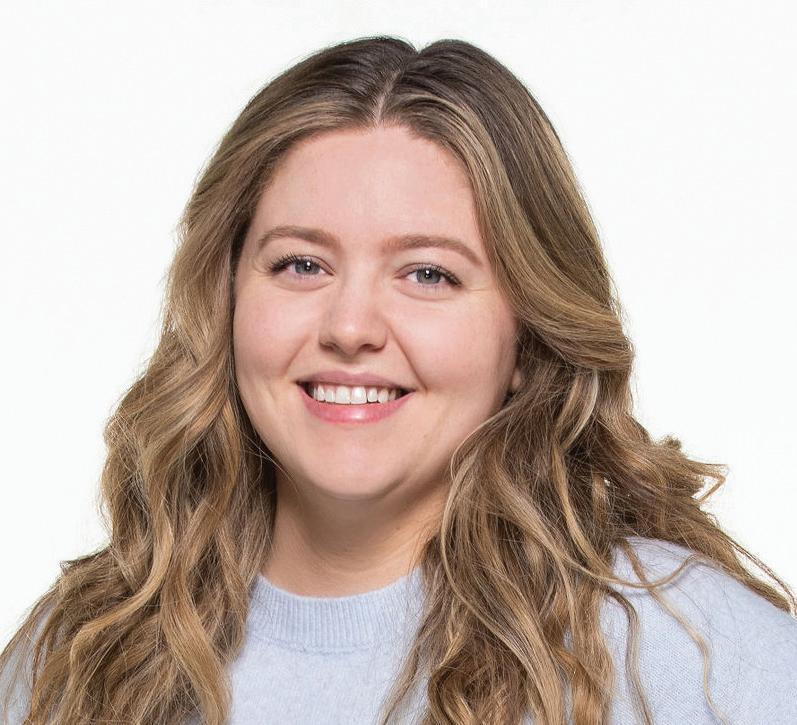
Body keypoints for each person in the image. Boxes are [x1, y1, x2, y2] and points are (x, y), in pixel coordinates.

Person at [2, 35, 796, 725]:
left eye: (427, 273)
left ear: (526, 333)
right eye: (301, 264)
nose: (350, 326)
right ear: (228, 298)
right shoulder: (80, 654)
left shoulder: (688, 647)